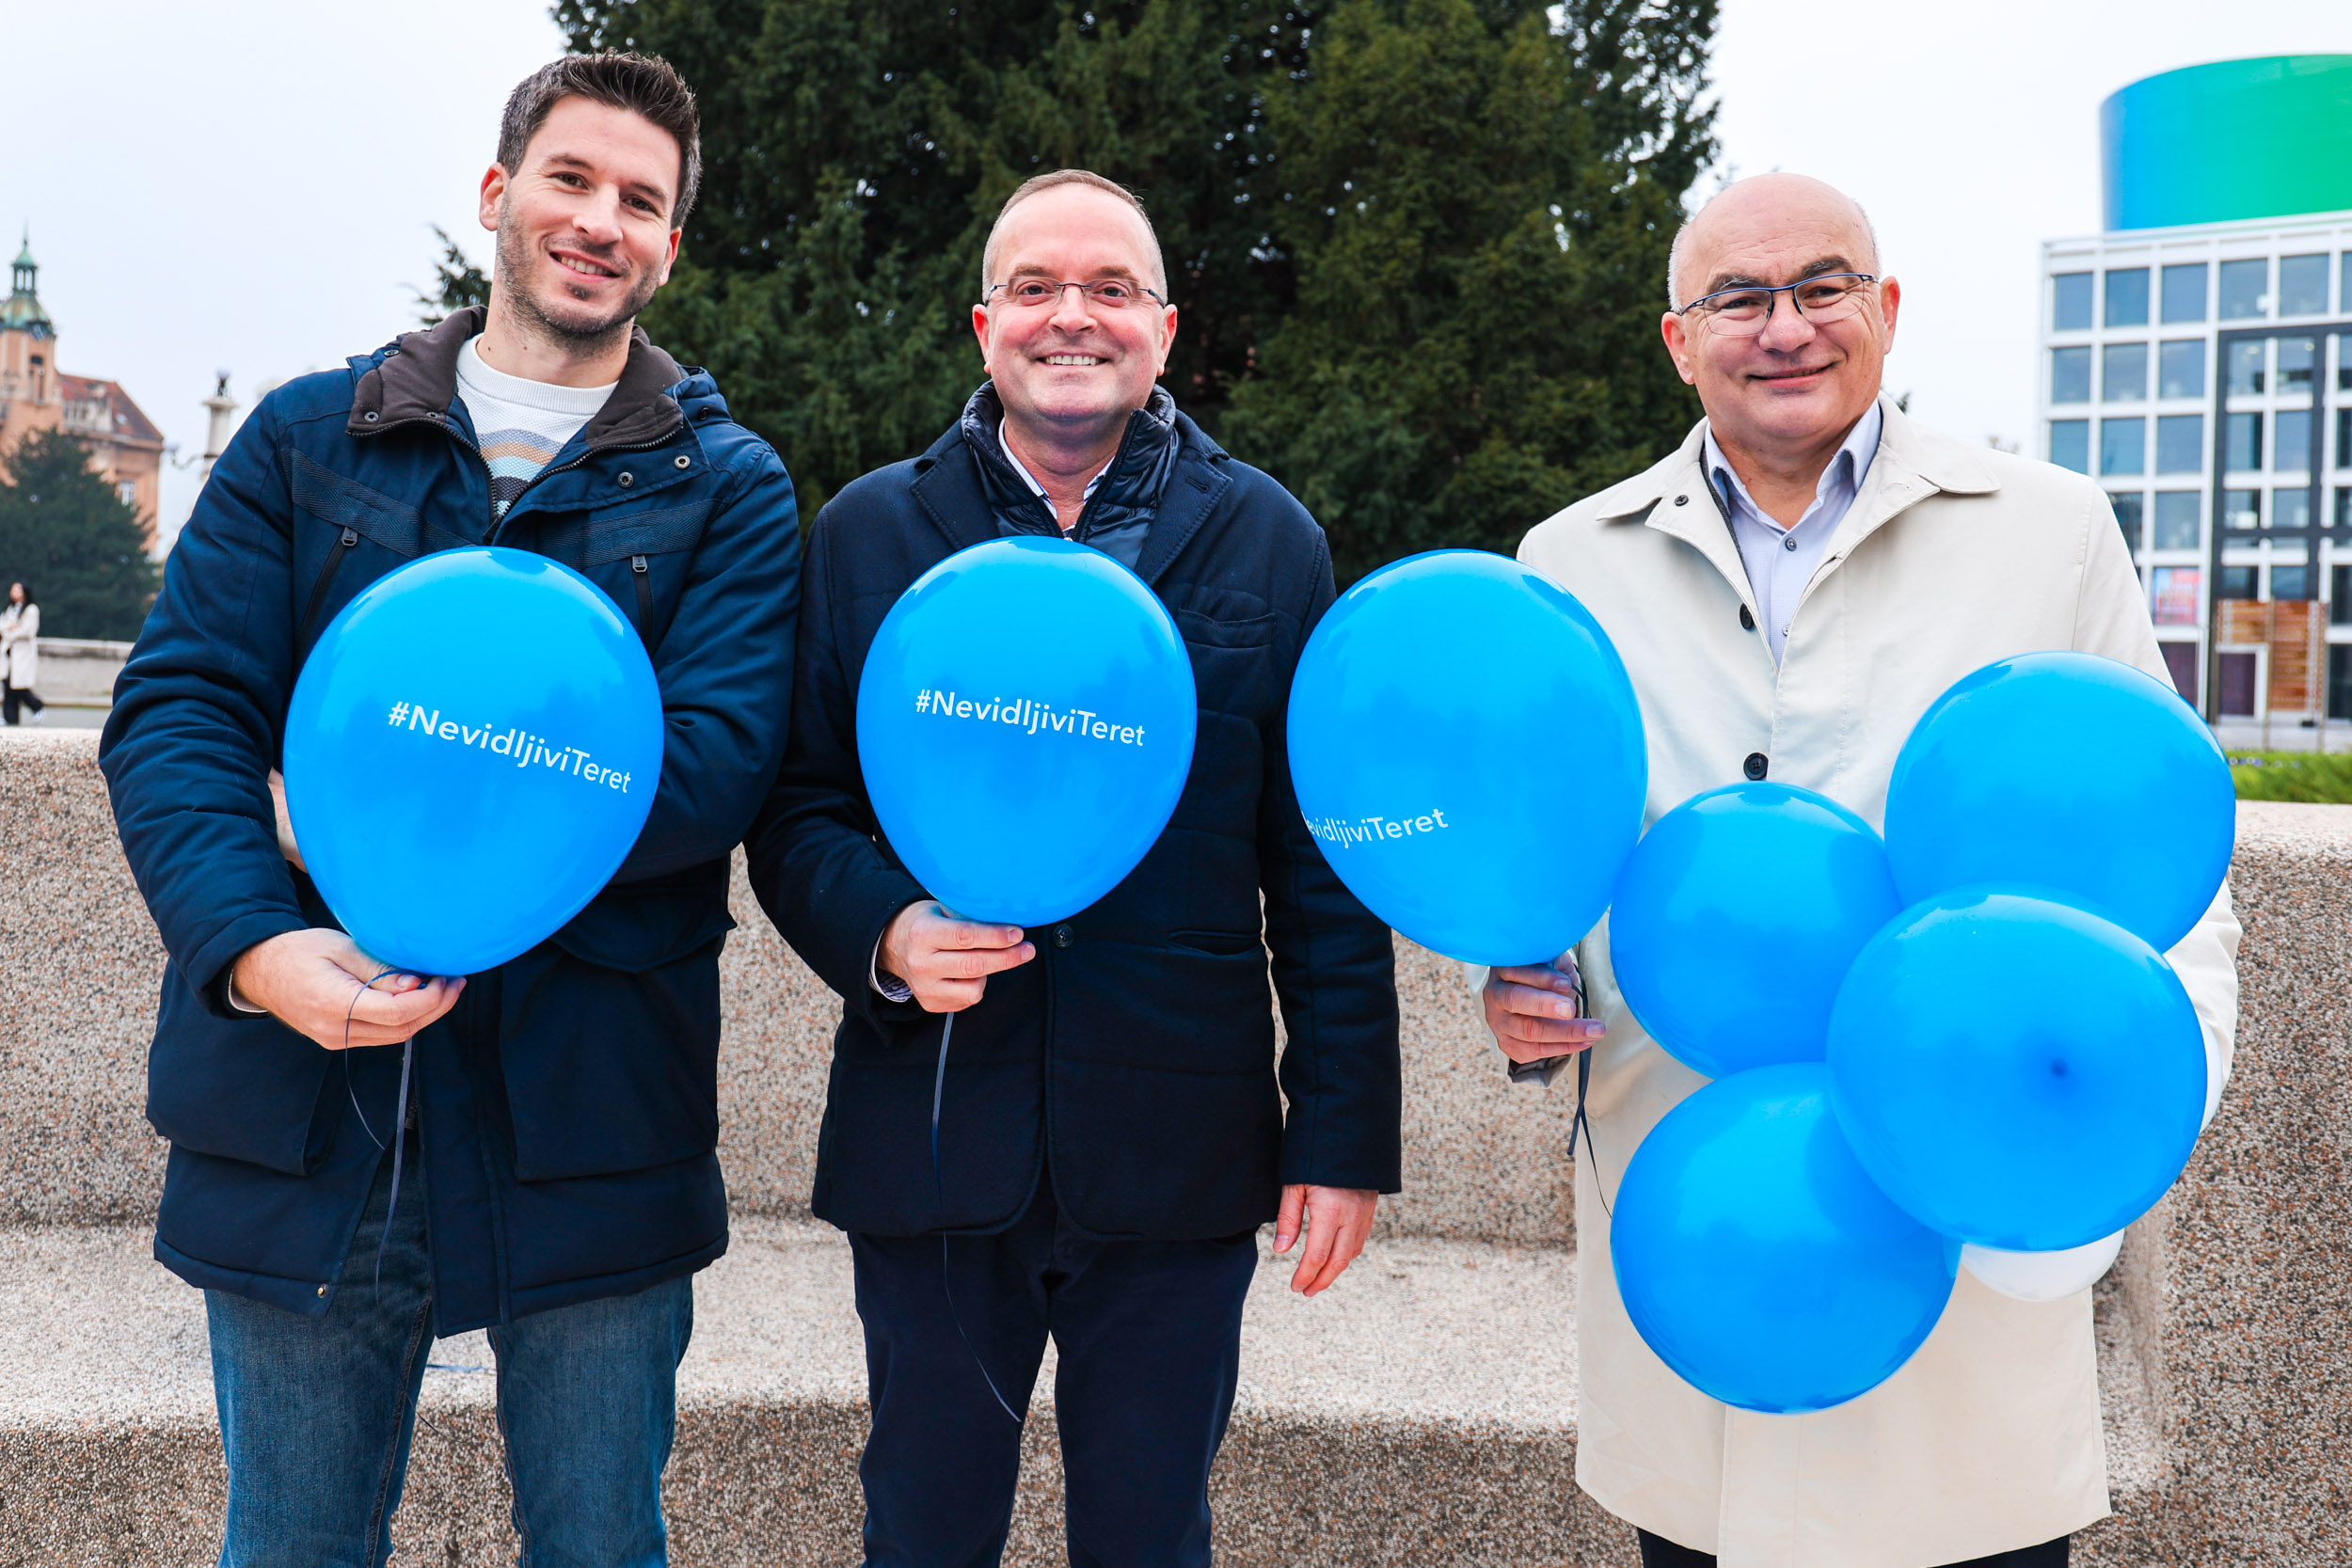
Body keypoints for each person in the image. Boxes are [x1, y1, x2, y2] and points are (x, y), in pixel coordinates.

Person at [100, 53, 801, 1566]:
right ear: (498, 194)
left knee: (603, 1540)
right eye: (572, 179)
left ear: (670, 245)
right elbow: (180, 713)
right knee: (288, 1543)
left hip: (594, 1106)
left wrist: (347, 812)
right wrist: (252, 947)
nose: (600, 220)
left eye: (642, 201)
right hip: (298, 1083)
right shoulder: (305, 439)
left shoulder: (730, 488)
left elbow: (714, 762)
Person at [1482, 173, 2240, 1568]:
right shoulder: (1567, 563)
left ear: (1886, 311)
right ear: (1677, 339)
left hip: (1964, 1213)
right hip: (1697, 1221)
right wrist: (1524, 981)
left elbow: (2163, 863)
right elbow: (1555, 866)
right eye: (1739, 298)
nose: (1786, 327)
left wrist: (2103, 1152)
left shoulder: (2051, 527)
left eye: (1823, 286)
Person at [746, 168, 1403, 1567]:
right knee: (919, 1530)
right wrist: (885, 930)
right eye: (1038, 287)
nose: (1072, 317)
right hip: (929, 1130)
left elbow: (1323, 861)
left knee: (1153, 1534)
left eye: (1110, 289)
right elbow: (797, 807)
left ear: (1163, 328)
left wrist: (1340, 1133)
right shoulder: (868, 531)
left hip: (1181, 1151)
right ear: (986, 324)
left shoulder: (1271, 540)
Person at [2, 580, 42, 725]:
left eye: (18, 590)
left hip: (22, 653)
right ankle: (10, 718)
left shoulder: (31, 610)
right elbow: (3, 625)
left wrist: (11, 632)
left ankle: (37, 706)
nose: (15, 593)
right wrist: (10, 628)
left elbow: (28, 630)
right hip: (8, 653)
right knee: (8, 685)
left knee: (19, 686)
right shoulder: (10, 609)